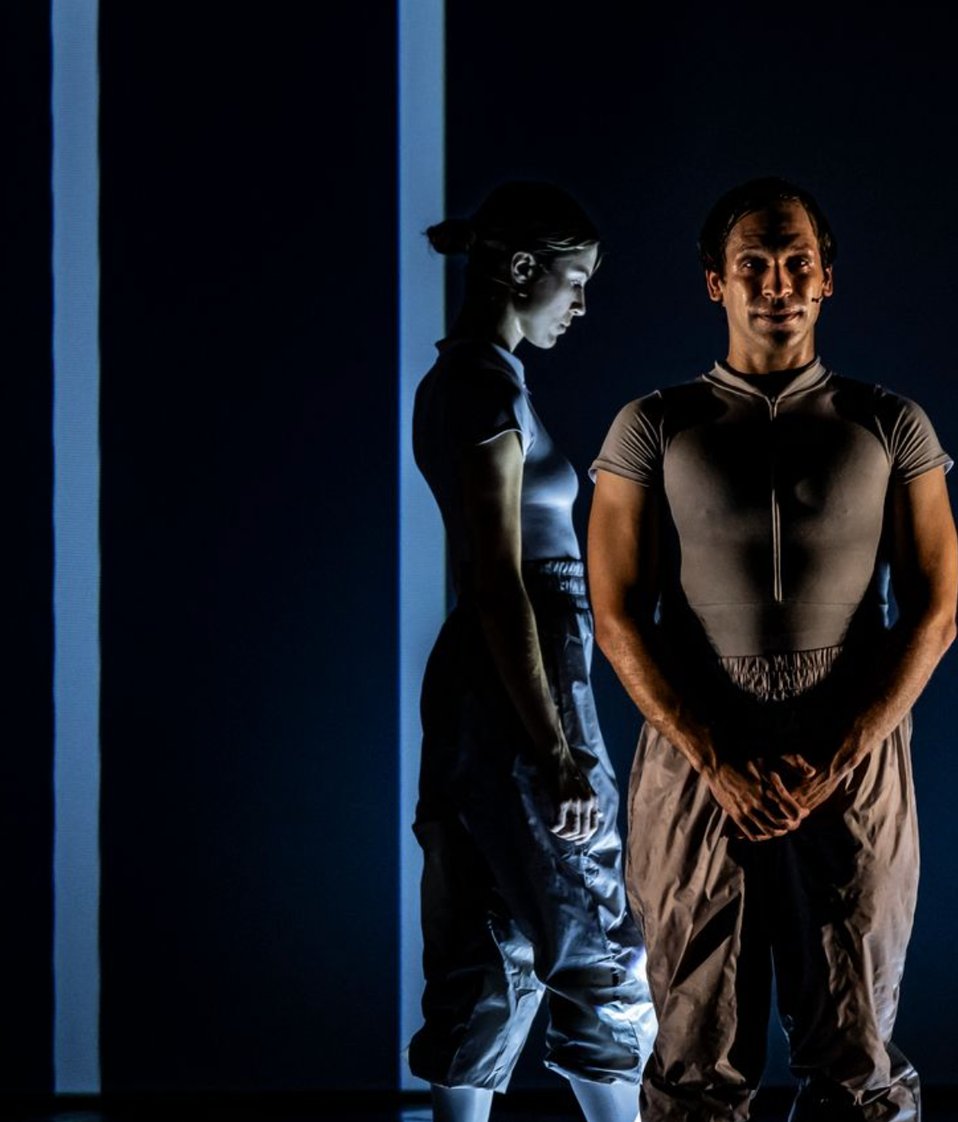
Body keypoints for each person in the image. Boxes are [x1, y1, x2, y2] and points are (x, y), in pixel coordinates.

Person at [587, 177, 958, 1121]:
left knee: (856, 1046)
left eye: (798, 262)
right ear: (716, 281)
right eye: (753, 263)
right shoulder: (653, 424)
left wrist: (841, 753)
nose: (778, 283)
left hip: (852, 743)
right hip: (699, 743)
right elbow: (616, 615)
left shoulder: (891, 422)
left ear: (828, 277)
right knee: (695, 1050)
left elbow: (935, 613)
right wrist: (713, 757)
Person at [408, 182, 655, 1122]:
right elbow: (499, 579)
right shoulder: (482, 385)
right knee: (591, 921)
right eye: (575, 281)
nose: (581, 305)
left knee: (488, 931)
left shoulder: (475, 381)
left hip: (490, 671)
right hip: (525, 663)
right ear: (521, 270)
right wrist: (556, 751)